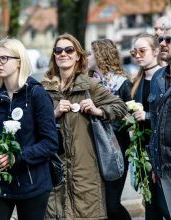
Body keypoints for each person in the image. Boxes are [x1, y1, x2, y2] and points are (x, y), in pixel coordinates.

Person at [41, 33, 128, 219]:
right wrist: (53, 114)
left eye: (69, 49)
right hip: (54, 170)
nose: (63, 53)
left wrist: (98, 111)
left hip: (85, 171)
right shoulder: (43, 89)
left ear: (78, 55)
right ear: (54, 56)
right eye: (58, 50)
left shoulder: (90, 85)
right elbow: (32, 123)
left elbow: (120, 107)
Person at [0, 38, 58, 220]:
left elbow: (50, 143)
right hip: (1, 182)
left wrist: (16, 157)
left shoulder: (37, 94)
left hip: (33, 182)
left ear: (19, 61)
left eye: (4, 58)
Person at [87, 38, 132, 220]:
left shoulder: (121, 83)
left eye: (90, 53)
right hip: (93, 147)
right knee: (102, 205)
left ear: (100, 55)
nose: (87, 56)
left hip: (116, 147)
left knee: (112, 204)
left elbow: (129, 114)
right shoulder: (87, 82)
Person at [131, 33, 171, 220]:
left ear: (155, 51)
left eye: (142, 50)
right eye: (134, 52)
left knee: (164, 205)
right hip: (144, 149)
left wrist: (145, 115)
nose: (137, 55)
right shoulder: (136, 81)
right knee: (150, 203)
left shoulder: (162, 78)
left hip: (163, 152)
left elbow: (160, 115)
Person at [149, 19, 171, 220]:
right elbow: (155, 123)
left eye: (169, 39)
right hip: (165, 167)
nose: (162, 44)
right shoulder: (158, 77)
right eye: (161, 39)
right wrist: (156, 165)